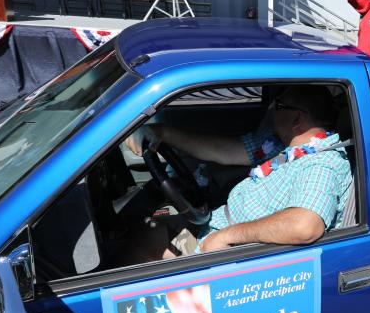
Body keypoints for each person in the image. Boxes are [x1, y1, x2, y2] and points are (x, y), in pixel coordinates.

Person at [125, 86, 351, 260]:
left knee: (138, 250)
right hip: (215, 225)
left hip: (233, 254)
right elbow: (222, 150)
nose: (272, 109)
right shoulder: (279, 146)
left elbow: (304, 226)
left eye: (279, 105)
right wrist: (160, 132)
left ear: (297, 120)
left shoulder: (321, 164)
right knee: (145, 231)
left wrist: (227, 236)